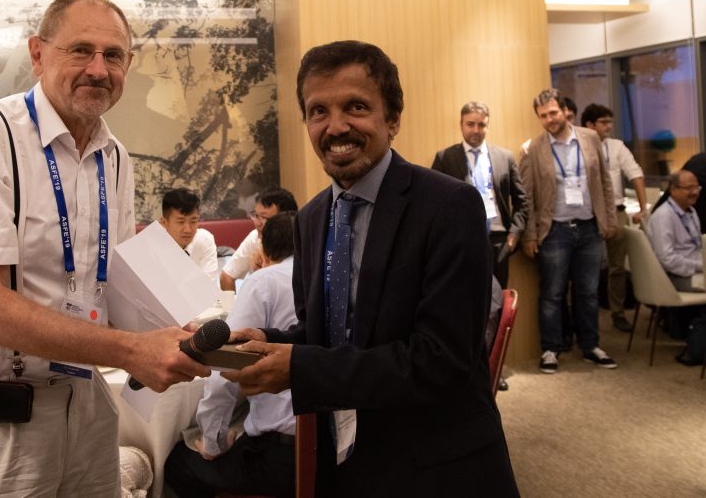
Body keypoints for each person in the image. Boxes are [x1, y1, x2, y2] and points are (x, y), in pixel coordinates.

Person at [0, 0, 209, 497]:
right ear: (38, 54)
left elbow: (112, 286)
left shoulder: (114, 157)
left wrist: (180, 333)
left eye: (114, 55)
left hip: (83, 403)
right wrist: (132, 350)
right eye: (80, 50)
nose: (98, 69)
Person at [224, 41, 517, 495]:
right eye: (318, 112)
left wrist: (299, 368)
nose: (335, 126)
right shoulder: (311, 219)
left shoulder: (449, 206)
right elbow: (329, 334)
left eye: (356, 107)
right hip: (344, 462)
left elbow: (442, 360)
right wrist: (269, 342)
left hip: (435, 468)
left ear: (393, 118)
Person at [165, 212, 299, 498]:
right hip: (329, 447)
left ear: (264, 248)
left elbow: (223, 374)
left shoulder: (264, 282)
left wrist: (212, 442)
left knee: (179, 463)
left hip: (279, 455)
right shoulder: (328, 279)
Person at [520, 88, 619, 375]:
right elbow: (527, 196)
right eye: (543, 116)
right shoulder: (533, 149)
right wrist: (529, 235)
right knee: (552, 293)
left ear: (565, 111)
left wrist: (609, 219)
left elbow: (605, 182)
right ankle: (551, 349)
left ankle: (591, 346)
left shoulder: (590, 139)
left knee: (588, 293)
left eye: (553, 113)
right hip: (555, 231)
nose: (549, 120)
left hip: (589, 228)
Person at [431, 100, 529, 288]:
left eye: (481, 125)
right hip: (462, 242)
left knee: (498, 298)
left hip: (499, 242)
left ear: (487, 126)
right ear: (461, 124)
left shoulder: (505, 157)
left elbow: (522, 200)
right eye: (470, 124)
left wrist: (514, 236)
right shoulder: (445, 158)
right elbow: (433, 203)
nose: (476, 130)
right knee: (467, 297)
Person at [580, 103, 648, 332]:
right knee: (584, 267)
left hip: (615, 212)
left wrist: (643, 208)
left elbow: (636, 175)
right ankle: (581, 318)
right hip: (588, 213)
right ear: (589, 124)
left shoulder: (616, 146)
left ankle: (617, 312)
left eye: (610, 122)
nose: (609, 126)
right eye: (604, 122)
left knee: (617, 267)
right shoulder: (578, 146)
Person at [219, 188, 298, 291]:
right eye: (256, 215)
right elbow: (226, 276)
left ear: (285, 219)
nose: (257, 223)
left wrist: (264, 270)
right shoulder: (255, 238)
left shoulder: (303, 240)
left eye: (264, 218)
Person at [646, 170, 704, 292]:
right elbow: (666, 258)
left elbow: (696, 247)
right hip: (676, 276)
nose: (695, 192)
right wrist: (699, 266)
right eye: (689, 188)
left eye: (697, 188)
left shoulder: (691, 211)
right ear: (673, 189)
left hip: (696, 269)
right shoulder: (664, 216)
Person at [160, 188, 219, 283]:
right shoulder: (151, 246)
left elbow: (208, 286)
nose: (188, 230)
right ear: (164, 222)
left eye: (193, 221)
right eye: (180, 222)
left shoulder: (204, 240)